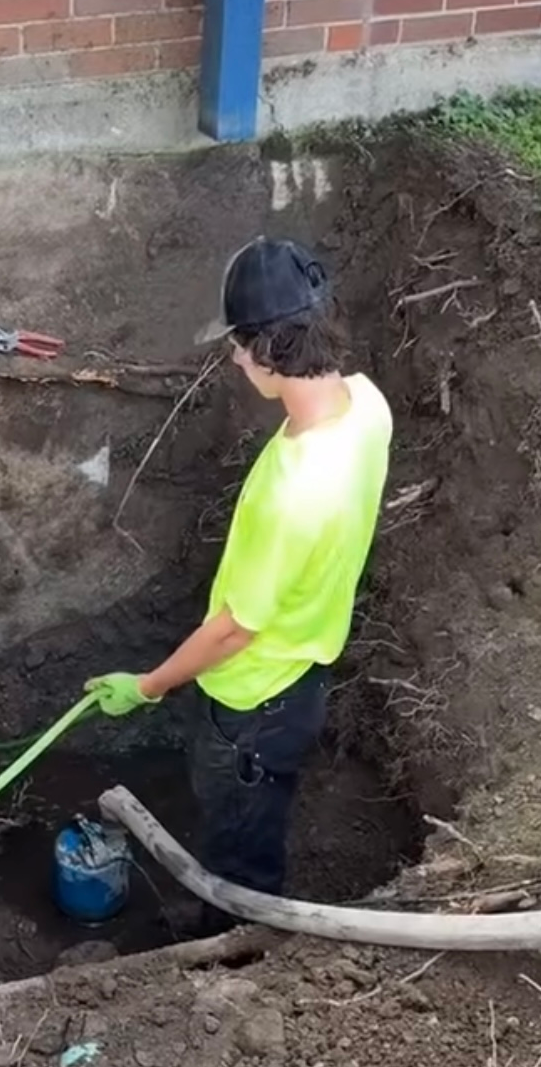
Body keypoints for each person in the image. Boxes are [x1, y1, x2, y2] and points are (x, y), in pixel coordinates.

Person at [86, 237, 393, 906]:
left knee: (240, 834)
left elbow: (234, 631)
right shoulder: (368, 407)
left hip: (252, 699)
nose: (231, 356)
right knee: (255, 806)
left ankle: (232, 941)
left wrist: (147, 685)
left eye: (238, 343)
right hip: (305, 670)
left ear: (267, 350)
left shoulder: (295, 489)